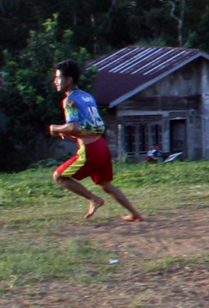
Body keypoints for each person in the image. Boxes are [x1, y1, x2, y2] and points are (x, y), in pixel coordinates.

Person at [50, 60, 143, 223]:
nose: (55, 81)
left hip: (90, 150)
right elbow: (93, 126)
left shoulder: (69, 101)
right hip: (101, 145)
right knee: (106, 184)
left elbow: (73, 127)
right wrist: (70, 133)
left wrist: (55, 128)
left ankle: (94, 199)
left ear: (68, 80)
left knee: (59, 176)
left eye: (58, 78)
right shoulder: (87, 96)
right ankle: (135, 214)